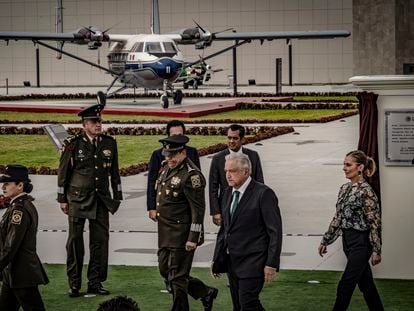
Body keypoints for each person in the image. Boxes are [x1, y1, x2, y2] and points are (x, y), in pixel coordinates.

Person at [57, 103, 123, 297]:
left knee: (100, 243)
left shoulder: (109, 143)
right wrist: (62, 198)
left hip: (101, 199)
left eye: (99, 121)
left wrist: (117, 196)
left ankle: (95, 282)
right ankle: (74, 283)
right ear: (84, 124)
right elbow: (63, 173)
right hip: (78, 200)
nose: (98, 124)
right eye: (94, 122)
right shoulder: (73, 144)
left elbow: (115, 172)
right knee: (75, 242)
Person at [154, 135, 218, 311]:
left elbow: (198, 210)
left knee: (177, 277)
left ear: (183, 152)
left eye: (172, 155)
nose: (169, 159)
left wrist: (193, 237)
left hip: (182, 235)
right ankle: (205, 292)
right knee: (165, 271)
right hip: (165, 233)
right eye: (166, 155)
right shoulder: (166, 167)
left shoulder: (192, 175)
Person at [212, 153, 282, 310]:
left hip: (254, 262)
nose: (228, 175)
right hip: (233, 262)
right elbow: (225, 230)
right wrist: (217, 258)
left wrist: (271, 263)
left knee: (248, 303)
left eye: (233, 170)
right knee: (238, 306)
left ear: (246, 171)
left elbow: (275, 232)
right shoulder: (228, 193)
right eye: (226, 171)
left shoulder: (264, 194)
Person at [318, 150, 384, 311]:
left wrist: (376, 250)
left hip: (361, 243)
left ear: (360, 167)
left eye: (348, 165)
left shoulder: (366, 192)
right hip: (347, 241)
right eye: (344, 164)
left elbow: (374, 222)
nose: (344, 168)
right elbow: (338, 217)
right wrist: (326, 240)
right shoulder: (344, 188)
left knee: (345, 284)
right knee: (366, 284)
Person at [0, 165, 49, 310]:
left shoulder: (19, 210)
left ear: (20, 185)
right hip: (14, 273)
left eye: (8, 183)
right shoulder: (19, 205)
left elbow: (11, 246)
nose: (3, 187)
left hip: (21, 273)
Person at [209, 124, 264, 226]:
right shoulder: (218, 158)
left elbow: (260, 181)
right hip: (227, 205)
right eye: (229, 138)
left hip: (250, 205)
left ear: (242, 139)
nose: (231, 141)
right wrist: (215, 211)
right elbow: (213, 187)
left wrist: (260, 206)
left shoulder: (253, 156)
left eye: (235, 138)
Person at [147, 119, 200, 221]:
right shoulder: (158, 155)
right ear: (168, 135)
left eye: (180, 135)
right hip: (166, 206)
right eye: (174, 135)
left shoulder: (192, 152)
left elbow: (196, 182)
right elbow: (152, 182)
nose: (177, 138)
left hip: (185, 207)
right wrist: (152, 207)